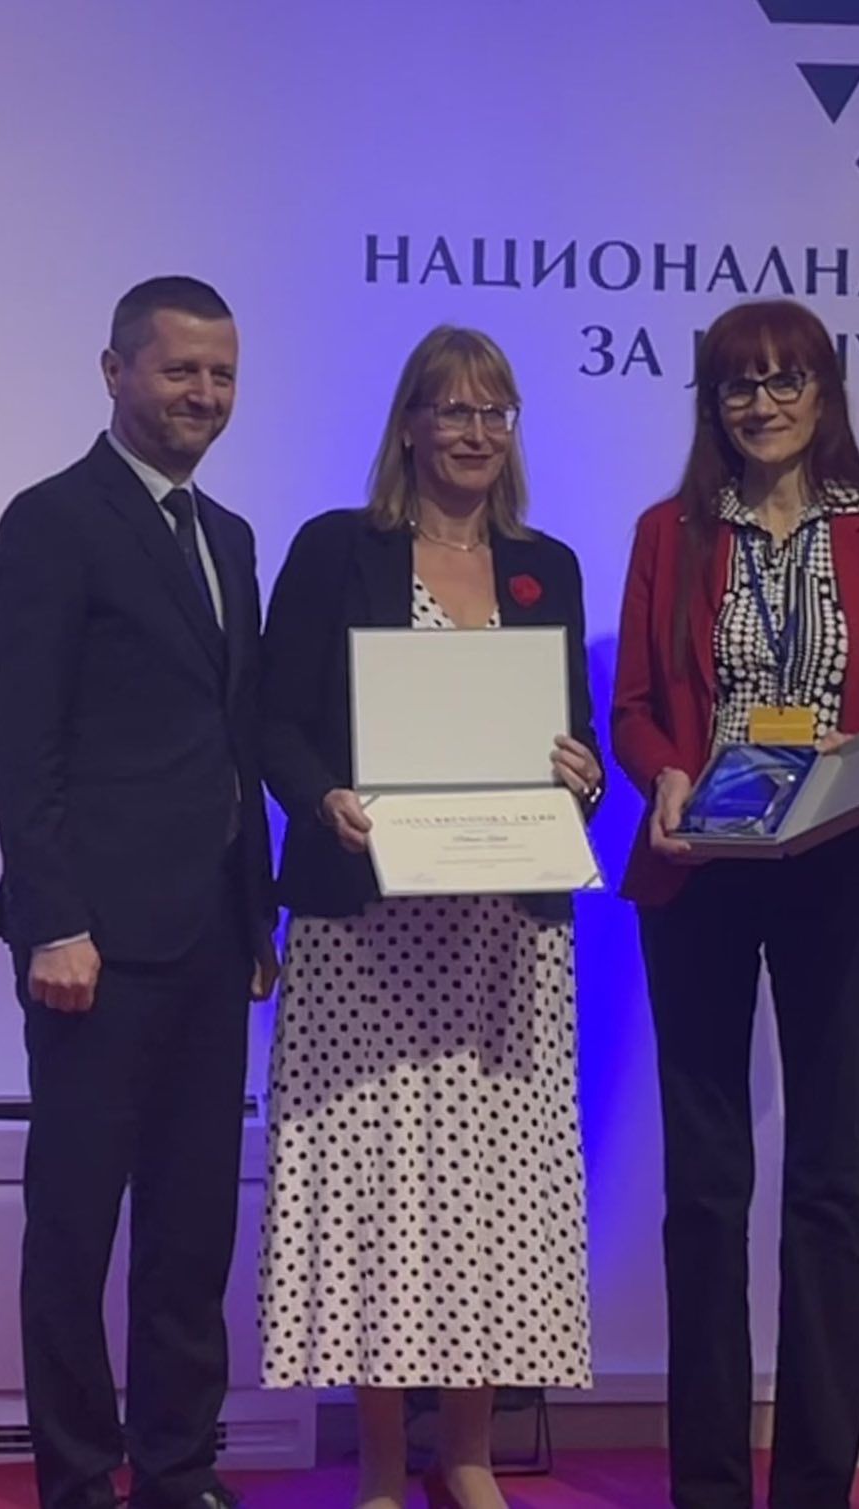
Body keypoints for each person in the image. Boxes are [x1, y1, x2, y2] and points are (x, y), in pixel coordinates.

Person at [612, 298, 859, 1509]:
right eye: (737, 384)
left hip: (840, 864)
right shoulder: (669, 530)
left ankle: (816, 1484)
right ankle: (707, 1486)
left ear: (824, 391)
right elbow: (634, 707)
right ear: (711, 402)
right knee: (706, 1187)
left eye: (784, 380)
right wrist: (666, 771)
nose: (761, 404)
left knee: (824, 1180)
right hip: (701, 867)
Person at [257, 325, 600, 1509]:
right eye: (451, 410)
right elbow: (273, 721)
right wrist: (323, 799)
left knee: (488, 1193)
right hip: (365, 928)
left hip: (499, 931)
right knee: (376, 1186)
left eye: (494, 412)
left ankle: (467, 1458)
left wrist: (582, 775)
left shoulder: (545, 565)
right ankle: (381, 1466)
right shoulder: (337, 549)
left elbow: (572, 737)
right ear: (407, 424)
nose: (473, 432)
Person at [0, 276, 278, 1509]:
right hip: (91, 943)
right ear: (115, 373)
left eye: (221, 373)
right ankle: (73, 1479)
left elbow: (235, 738)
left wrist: (256, 915)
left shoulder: (231, 538)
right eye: (179, 370)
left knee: (191, 1229)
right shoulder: (53, 520)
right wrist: (53, 919)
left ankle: (175, 1471)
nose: (203, 394)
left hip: (212, 936)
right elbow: (23, 741)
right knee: (74, 1229)